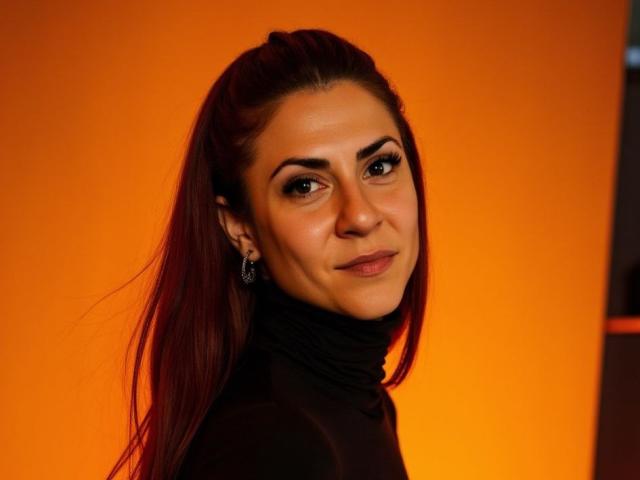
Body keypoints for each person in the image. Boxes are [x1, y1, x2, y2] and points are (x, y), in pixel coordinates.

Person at [106, 28, 429, 480]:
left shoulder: (358, 402)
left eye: (379, 166)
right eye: (305, 186)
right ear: (241, 229)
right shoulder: (273, 442)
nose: (360, 215)